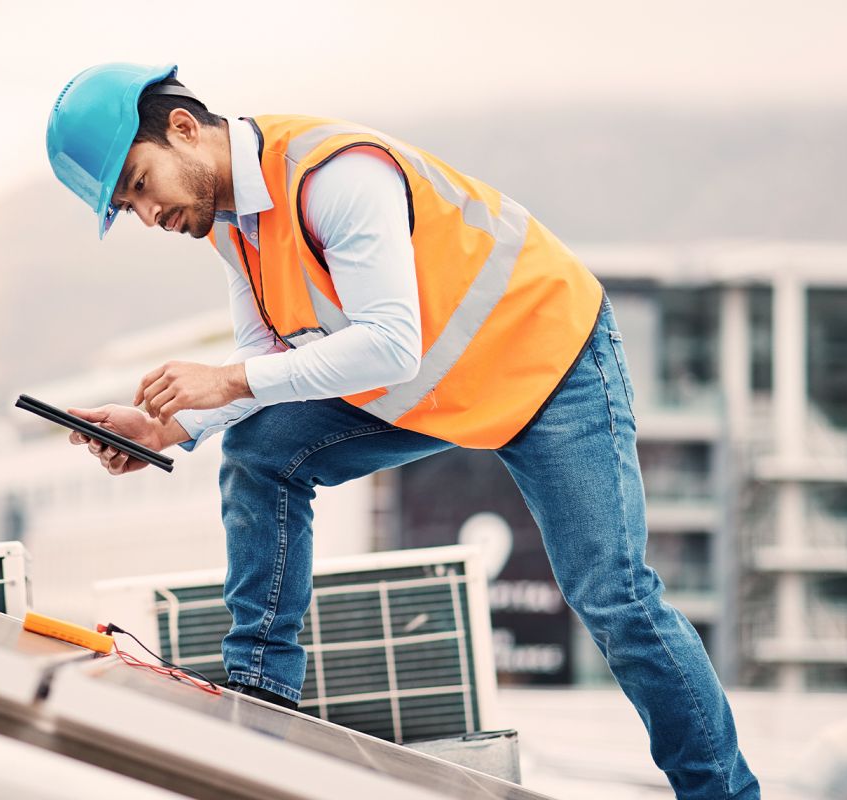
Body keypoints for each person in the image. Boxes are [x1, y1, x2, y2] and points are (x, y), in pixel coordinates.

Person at [45, 62, 760, 799]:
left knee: (616, 600)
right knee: (260, 452)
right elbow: (268, 357)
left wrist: (224, 382)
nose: (146, 213)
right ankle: (261, 696)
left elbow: (388, 343)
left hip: (548, 362)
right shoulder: (234, 229)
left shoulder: (333, 177)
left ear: (184, 129)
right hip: (434, 385)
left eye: (138, 183)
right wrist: (168, 427)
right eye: (126, 207)